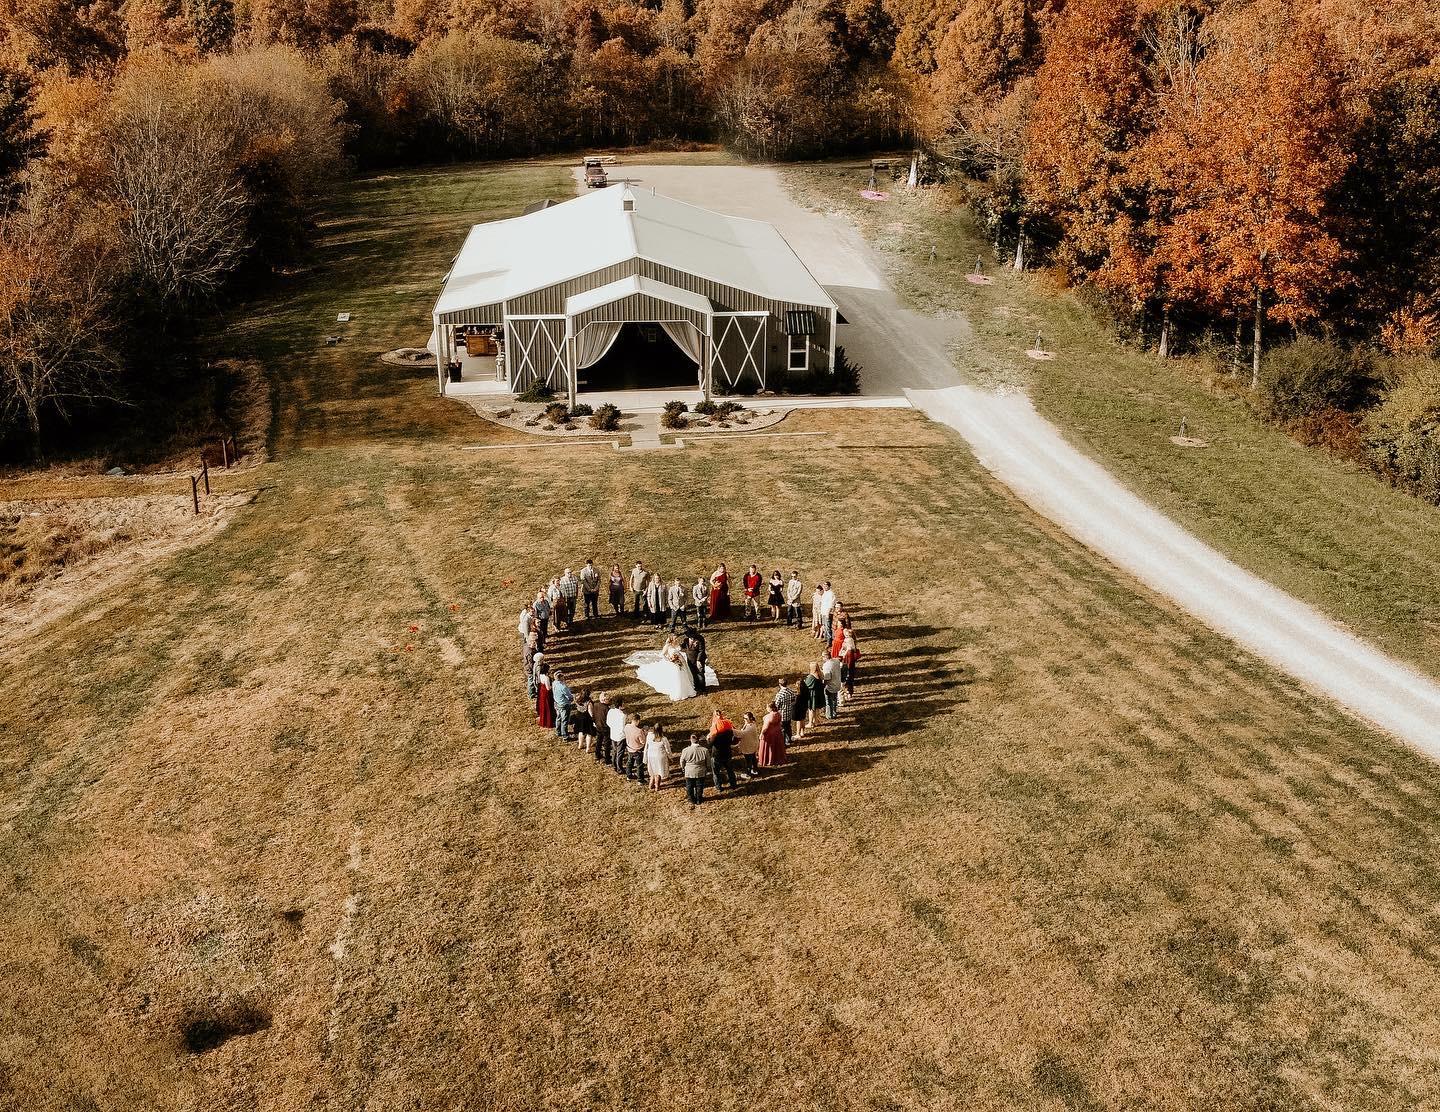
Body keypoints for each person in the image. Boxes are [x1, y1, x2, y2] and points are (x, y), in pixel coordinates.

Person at [632, 634, 700, 701]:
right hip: (674, 663)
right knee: (678, 676)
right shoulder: (667, 646)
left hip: (681, 661)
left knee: (684, 675)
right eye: (675, 639)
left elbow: (680, 650)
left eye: (677, 638)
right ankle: (680, 692)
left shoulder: (677, 644)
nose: (676, 640)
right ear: (671, 639)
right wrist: (670, 660)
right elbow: (662, 655)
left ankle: (687, 689)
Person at [709, 710, 738, 792]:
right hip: (727, 752)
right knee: (730, 770)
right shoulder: (728, 727)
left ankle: (719, 786)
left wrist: (708, 738)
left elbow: (710, 744)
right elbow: (733, 737)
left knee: (716, 772)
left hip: (717, 754)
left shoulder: (715, 731)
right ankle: (733, 784)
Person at [680, 734, 712, 805]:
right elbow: (708, 762)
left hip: (689, 771)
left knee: (689, 786)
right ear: (698, 740)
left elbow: (682, 761)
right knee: (699, 785)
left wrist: (683, 768)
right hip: (700, 771)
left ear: (691, 740)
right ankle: (699, 799)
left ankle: (691, 799)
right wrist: (708, 768)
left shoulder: (685, 750)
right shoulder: (705, 750)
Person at [758, 703, 788, 767]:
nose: (766, 708)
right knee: (777, 747)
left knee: (769, 747)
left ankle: (769, 759)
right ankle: (778, 758)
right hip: (777, 733)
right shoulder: (778, 714)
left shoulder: (769, 716)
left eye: (767, 707)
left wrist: (761, 734)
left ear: (771, 708)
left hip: (769, 734)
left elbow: (765, 728)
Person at [644, 724, 672, 791]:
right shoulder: (663, 739)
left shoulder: (649, 736)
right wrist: (670, 757)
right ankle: (657, 786)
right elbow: (668, 749)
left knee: (653, 771)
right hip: (660, 756)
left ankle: (651, 784)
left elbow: (646, 747)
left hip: (651, 756)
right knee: (659, 771)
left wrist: (645, 758)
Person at [735, 711, 761, 779]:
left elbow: (741, 734)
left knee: (748, 761)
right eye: (744, 718)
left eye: (746, 718)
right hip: (752, 744)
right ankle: (755, 770)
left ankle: (748, 774)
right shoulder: (752, 724)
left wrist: (732, 730)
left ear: (750, 718)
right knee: (753, 758)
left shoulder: (750, 727)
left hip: (748, 746)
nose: (744, 719)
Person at [801, 663, 825, 732]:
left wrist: (804, 682)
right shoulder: (820, 675)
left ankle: (810, 723)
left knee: (811, 709)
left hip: (812, 695)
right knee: (816, 708)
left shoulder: (811, 677)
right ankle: (816, 721)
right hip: (818, 694)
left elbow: (806, 685)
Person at [607, 700, 629, 775]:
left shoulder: (611, 711)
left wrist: (613, 728)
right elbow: (622, 727)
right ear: (620, 706)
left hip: (613, 734)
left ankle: (614, 765)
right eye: (623, 703)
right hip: (620, 736)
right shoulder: (622, 715)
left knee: (614, 751)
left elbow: (608, 722)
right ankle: (619, 768)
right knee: (620, 753)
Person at [774, 677, 797, 746]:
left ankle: (784, 743)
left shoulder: (780, 694)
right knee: (788, 727)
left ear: (780, 684)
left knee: (783, 729)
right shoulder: (790, 691)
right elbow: (794, 700)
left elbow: (776, 705)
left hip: (782, 714)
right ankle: (789, 739)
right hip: (789, 713)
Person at [624, 714, 647, 781]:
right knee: (639, 765)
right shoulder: (639, 731)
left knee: (629, 763)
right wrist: (645, 734)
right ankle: (640, 780)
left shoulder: (626, 727)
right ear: (637, 721)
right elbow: (643, 742)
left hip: (629, 748)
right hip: (637, 750)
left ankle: (628, 776)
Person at [551, 670, 573, 740]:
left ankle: (558, 731)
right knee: (564, 720)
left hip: (557, 703)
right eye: (563, 676)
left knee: (558, 717)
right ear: (560, 677)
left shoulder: (554, 683)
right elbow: (569, 696)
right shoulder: (563, 687)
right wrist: (571, 699)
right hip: (564, 704)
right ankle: (565, 735)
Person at [821, 651, 843, 719]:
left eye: (822, 656)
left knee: (828, 702)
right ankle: (834, 712)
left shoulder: (827, 666)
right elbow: (839, 660)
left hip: (830, 686)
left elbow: (827, 678)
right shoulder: (836, 661)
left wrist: (823, 686)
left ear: (825, 657)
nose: (822, 658)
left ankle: (829, 715)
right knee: (834, 699)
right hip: (837, 683)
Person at [572, 689, 596, 753]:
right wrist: (594, 719)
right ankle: (588, 748)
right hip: (587, 719)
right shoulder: (589, 702)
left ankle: (580, 745)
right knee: (589, 733)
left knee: (581, 731)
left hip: (579, 717)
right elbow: (591, 713)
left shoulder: (577, 699)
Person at [592, 691, 613, 762]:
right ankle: (607, 758)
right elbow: (609, 720)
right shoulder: (607, 709)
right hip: (605, 728)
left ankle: (597, 754)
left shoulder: (595, 705)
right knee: (607, 744)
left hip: (598, 726)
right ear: (604, 700)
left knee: (599, 741)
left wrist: (595, 722)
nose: (609, 701)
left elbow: (594, 715)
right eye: (608, 699)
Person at [841, 627, 860, 701]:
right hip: (847, 660)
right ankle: (848, 691)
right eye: (846, 635)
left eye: (848, 635)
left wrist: (844, 654)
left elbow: (849, 649)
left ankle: (849, 692)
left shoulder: (849, 641)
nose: (847, 637)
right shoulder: (848, 640)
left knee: (848, 676)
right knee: (848, 676)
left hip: (849, 660)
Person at [536, 665, 555, 730]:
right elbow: (548, 688)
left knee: (543, 705)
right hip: (546, 693)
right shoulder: (546, 678)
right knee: (547, 706)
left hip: (542, 691)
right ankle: (548, 721)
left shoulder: (540, 675)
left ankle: (543, 720)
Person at [523, 630, 539, 700]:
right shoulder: (529, 652)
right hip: (530, 669)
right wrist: (534, 669)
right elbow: (530, 663)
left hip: (528, 667)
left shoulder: (526, 646)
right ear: (530, 643)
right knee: (531, 681)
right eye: (534, 643)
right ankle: (531, 694)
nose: (535, 644)